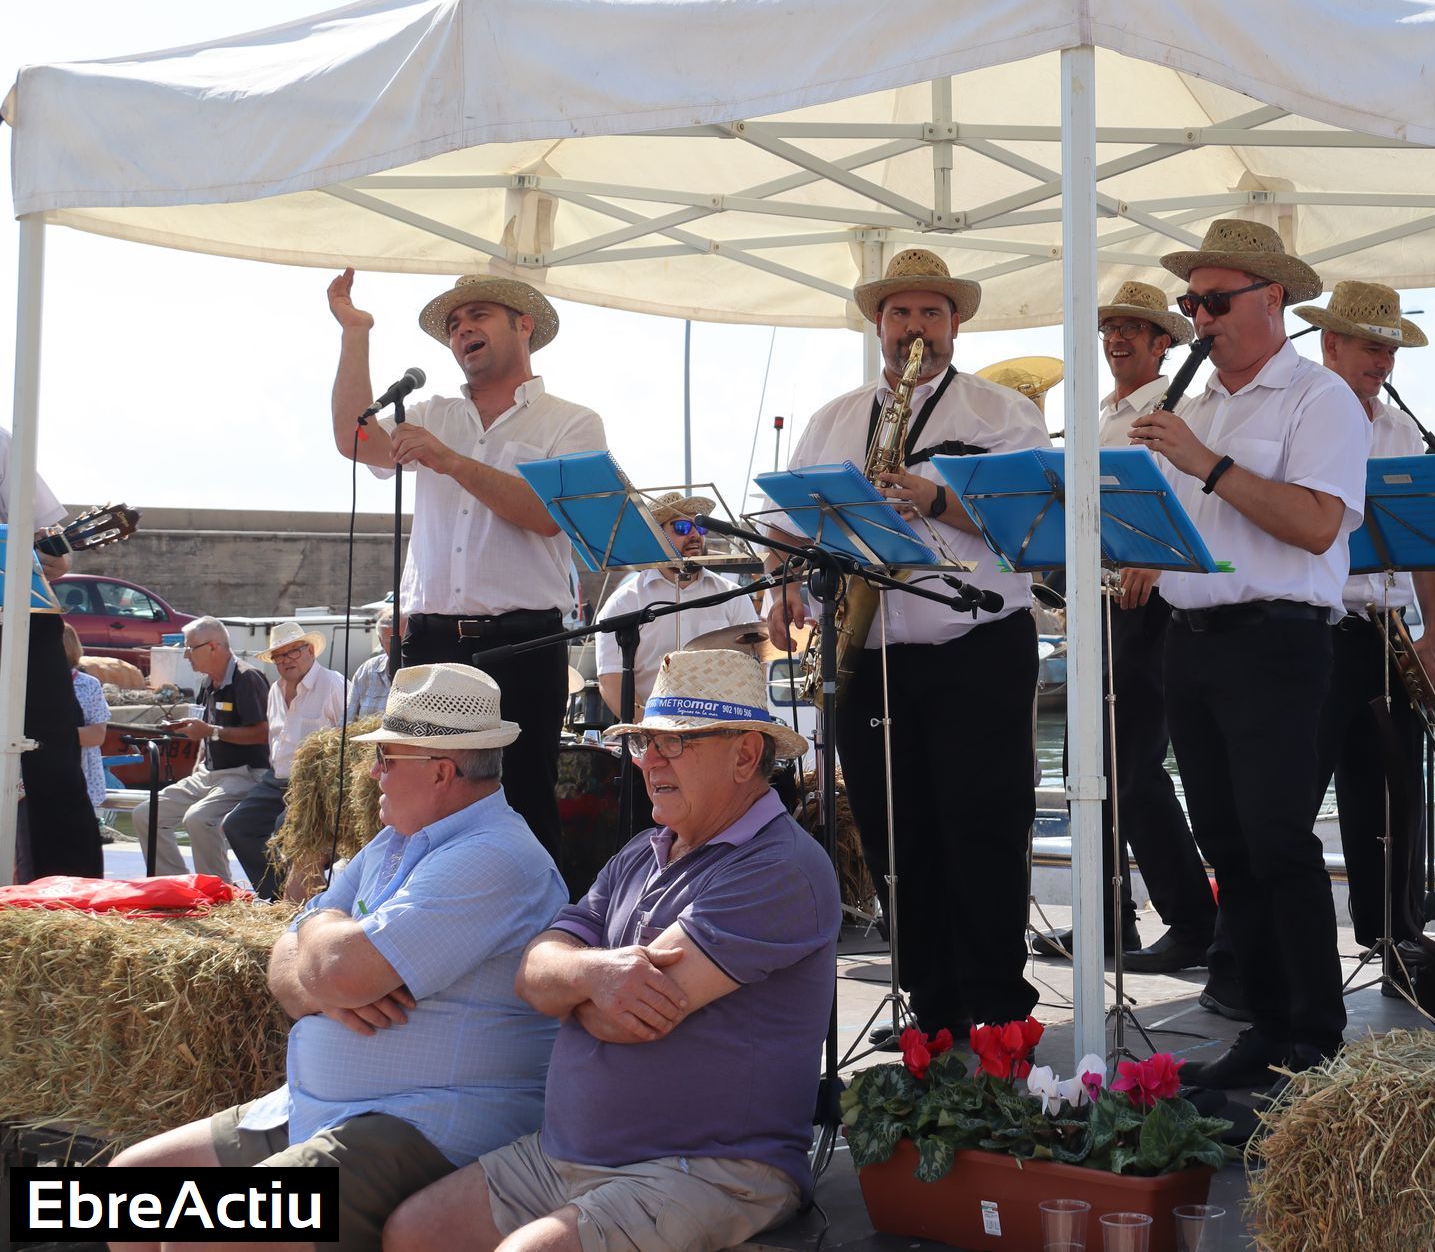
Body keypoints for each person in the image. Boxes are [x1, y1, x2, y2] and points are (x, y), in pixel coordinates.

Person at [383, 650, 836, 1252]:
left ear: (745, 755)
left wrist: (571, 984)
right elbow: (532, 973)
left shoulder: (779, 866)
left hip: (710, 1168)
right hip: (565, 1155)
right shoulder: (643, 850)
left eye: (674, 743)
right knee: (410, 1232)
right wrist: (593, 974)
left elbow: (622, 1016)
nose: (648, 761)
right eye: (646, 743)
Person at [111, 663, 566, 1252]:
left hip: (425, 1119)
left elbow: (330, 963)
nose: (373, 772)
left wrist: (322, 934)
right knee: (127, 1189)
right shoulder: (395, 839)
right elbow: (288, 970)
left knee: (203, 1231)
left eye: (386, 757)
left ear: (442, 771)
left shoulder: (494, 855)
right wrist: (328, 973)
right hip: (324, 1107)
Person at [761, 248, 1044, 1038]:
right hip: (872, 653)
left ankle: (999, 1006)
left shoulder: (1001, 413)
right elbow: (787, 523)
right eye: (899, 313)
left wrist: (937, 498)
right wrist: (781, 583)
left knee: (983, 825)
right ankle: (931, 1006)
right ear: (878, 324)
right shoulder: (834, 417)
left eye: (930, 313)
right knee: (894, 831)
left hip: (977, 644)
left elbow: (1031, 521)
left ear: (955, 326)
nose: (915, 327)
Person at [1126, 219, 1368, 1090]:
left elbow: (1315, 524)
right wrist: (1139, 534)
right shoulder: (1196, 407)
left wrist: (1207, 463)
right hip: (1191, 642)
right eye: (1192, 302)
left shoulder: (1318, 398)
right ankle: (1265, 1026)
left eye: (1216, 301)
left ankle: (1316, 1034)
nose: (1200, 318)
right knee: (1227, 844)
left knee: (1277, 840)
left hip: (1277, 641)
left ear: (1273, 299)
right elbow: (1192, 524)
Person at [329, 270, 607, 868]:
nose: (462, 331)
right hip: (429, 641)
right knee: (415, 801)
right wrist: (356, 333)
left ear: (523, 325)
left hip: (523, 644)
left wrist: (450, 461)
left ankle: (534, 923)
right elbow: (355, 440)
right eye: (454, 324)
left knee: (523, 799)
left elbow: (548, 517)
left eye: (477, 316)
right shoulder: (430, 411)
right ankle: (417, 916)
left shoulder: (571, 421)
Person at [1032, 281, 1217, 973]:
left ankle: (1193, 921)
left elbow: (1197, 500)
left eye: (1133, 329)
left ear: (1162, 342)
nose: (1116, 338)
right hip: (1098, 606)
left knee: (1134, 771)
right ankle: (1109, 921)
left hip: (1152, 609)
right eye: (1109, 327)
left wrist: (1154, 558)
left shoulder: (1185, 410)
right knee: (1086, 767)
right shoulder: (1099, 415)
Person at [1297, 282, 1435, 992]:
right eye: (1371, 348)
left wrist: (1432, 634)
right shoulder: (1300, 412)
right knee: (1296, 793)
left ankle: (1396, 943)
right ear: (1331, 344)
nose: (1383, 362)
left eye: (1390, 351)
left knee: (1393, 799)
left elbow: (1428, 540)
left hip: (1386, 631)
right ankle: (1277, 956)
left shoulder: (1401, 430)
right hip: (1319, 628)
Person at [2, 426, 102, 881]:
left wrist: (56, 555)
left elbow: (53, 546)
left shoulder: (1, 443)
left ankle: (66, 892)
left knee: (52, 757)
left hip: (20, 621)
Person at [592, 494, 760, 720]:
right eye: (682, 527)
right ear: (657, 536)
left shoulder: (733, 596)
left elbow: (753, 668)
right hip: (651, 726)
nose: (694, 535)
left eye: (700, 527)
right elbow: (611, 680)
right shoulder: (625, 602)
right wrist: (650, 729)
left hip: (720, 728)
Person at [132, 616, 270, 879]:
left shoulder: (247, 678)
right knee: (145, 814)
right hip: (209, 774)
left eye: (190, 648)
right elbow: (207, 732)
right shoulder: (208, 683)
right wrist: (199, 759)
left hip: (246, 773)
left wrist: (210, 732)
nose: (186, 655)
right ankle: (175, 885)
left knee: (199, 819)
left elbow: (263, 733)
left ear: (213, 647)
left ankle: (218, 891)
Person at [223, 620, 350, 900]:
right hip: (277, 778)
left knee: (286, 828)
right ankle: (280, 895)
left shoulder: (333, 684)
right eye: (279, 656)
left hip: (315, 781)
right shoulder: (274, 690)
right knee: (237, 826)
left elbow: (350, 737)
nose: (285, 660)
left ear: (310, 651)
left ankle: (301, 898)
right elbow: (277, 743)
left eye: (293, 651)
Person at [62, 623, 112, 823]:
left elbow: (97, 735)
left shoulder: (88, 685)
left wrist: (52, 734)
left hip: (81, 779)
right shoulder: (23, 683)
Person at [348, 607, 397, 722]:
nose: (399, 647)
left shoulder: (425, 673)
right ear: (381, 641)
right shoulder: (366, 671)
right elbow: (346, 721)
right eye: (392, 642)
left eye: (405, 640)